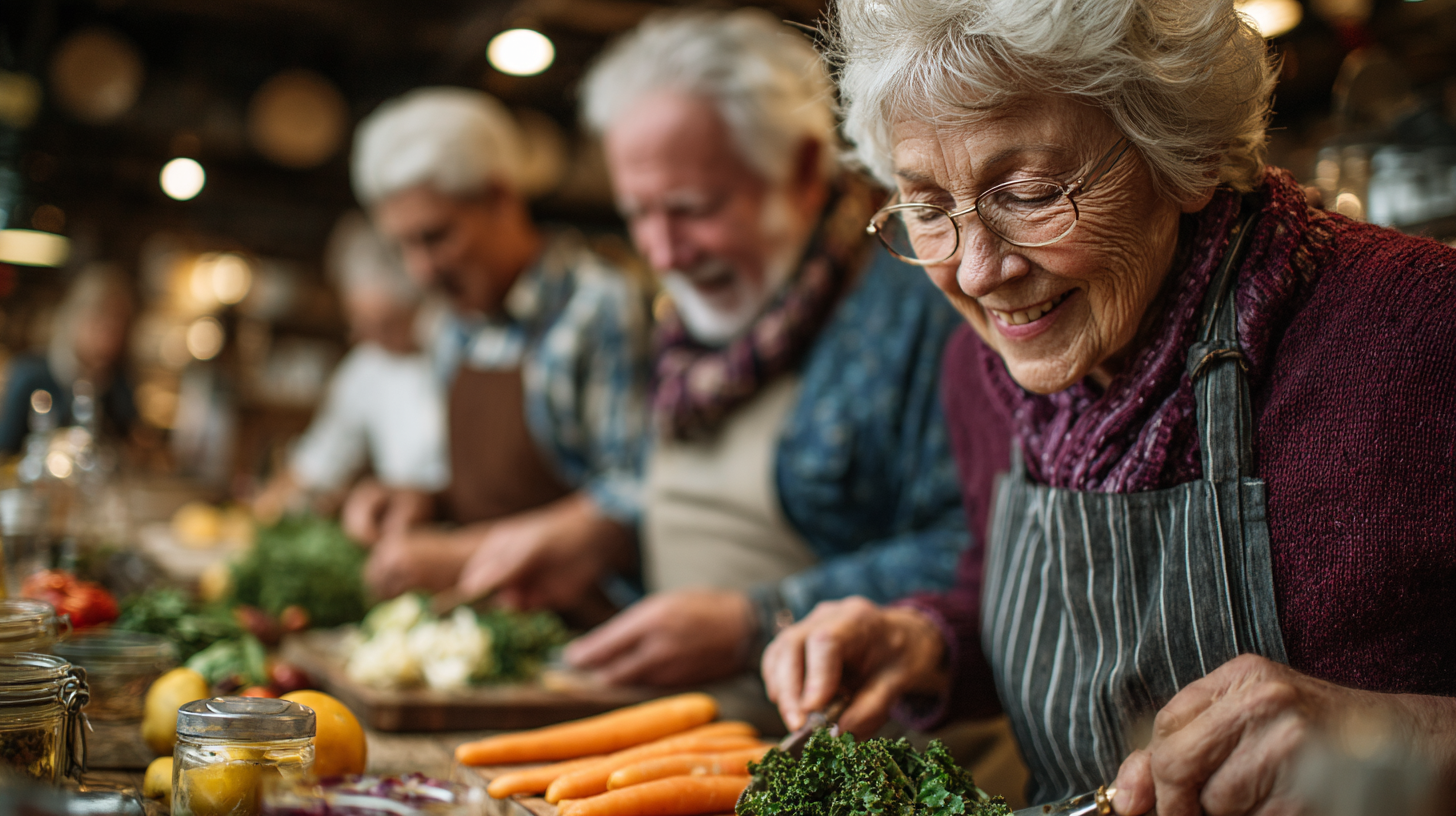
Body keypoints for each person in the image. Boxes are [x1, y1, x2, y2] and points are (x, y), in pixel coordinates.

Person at [761, 0, 1456, 812]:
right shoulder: (982, 370)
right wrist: (928, 642)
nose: (978, 273)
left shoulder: (1421, 335)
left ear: (1183, 156)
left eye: (1028, 192)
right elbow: (1051, 615)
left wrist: (1400, 738)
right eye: (927, 207)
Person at [457, 8, 971, 708]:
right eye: (639, 213)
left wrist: (754, 622)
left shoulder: (921, 300)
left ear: (802, 169)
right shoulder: (689, 335)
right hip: (695, 743)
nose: (663, 253)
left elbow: (982, 552)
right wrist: (604, 534)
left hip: (871, 764)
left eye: (693, 208)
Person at [345, 88, 651, 619]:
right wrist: (422, 500)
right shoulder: (448, 326)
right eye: (402, 246)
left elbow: (637, 495)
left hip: (589, 635)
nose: (420, 271)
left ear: (499, 198)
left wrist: (463, 554)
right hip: (487, 624)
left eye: (435, 237)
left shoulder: (597, 307)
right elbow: (488, 496)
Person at [252, 212, 448, 521]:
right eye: (357, 323)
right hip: (406, 536)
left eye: (384, 325)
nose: (364, 336)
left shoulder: (460, 348)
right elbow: (315, 464)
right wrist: (261, 514)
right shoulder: (367, 364)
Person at [0, 265, 137, 454]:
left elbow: (126, 454)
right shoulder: (30, 375)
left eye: (119, 322)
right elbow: (5, 451)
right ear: (74, 317)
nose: (110, 332)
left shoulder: (119, 384)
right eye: (101, 318)